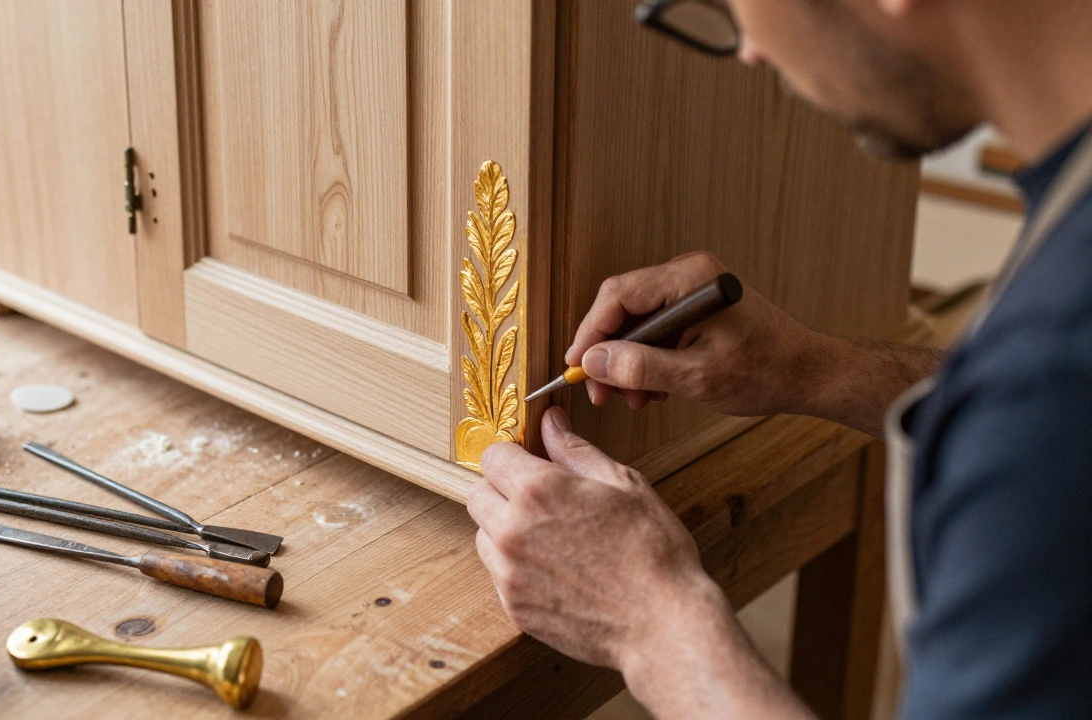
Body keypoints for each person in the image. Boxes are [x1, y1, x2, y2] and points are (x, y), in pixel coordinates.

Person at [466, 0, 1092, 717]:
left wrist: (651, 624)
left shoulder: (1051, 374)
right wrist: (816, 370)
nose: (750, 53)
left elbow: (1039, 411)